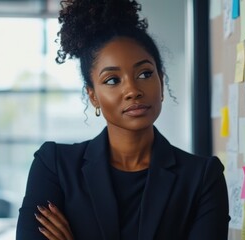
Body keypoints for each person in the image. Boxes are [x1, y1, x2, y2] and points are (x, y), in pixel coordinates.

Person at [15, 0, 230, 239]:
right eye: (112, 80)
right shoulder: (54, 167)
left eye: (145, 74)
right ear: (93, 95)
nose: (132, 90)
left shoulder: (202, 178)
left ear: (161, 81)